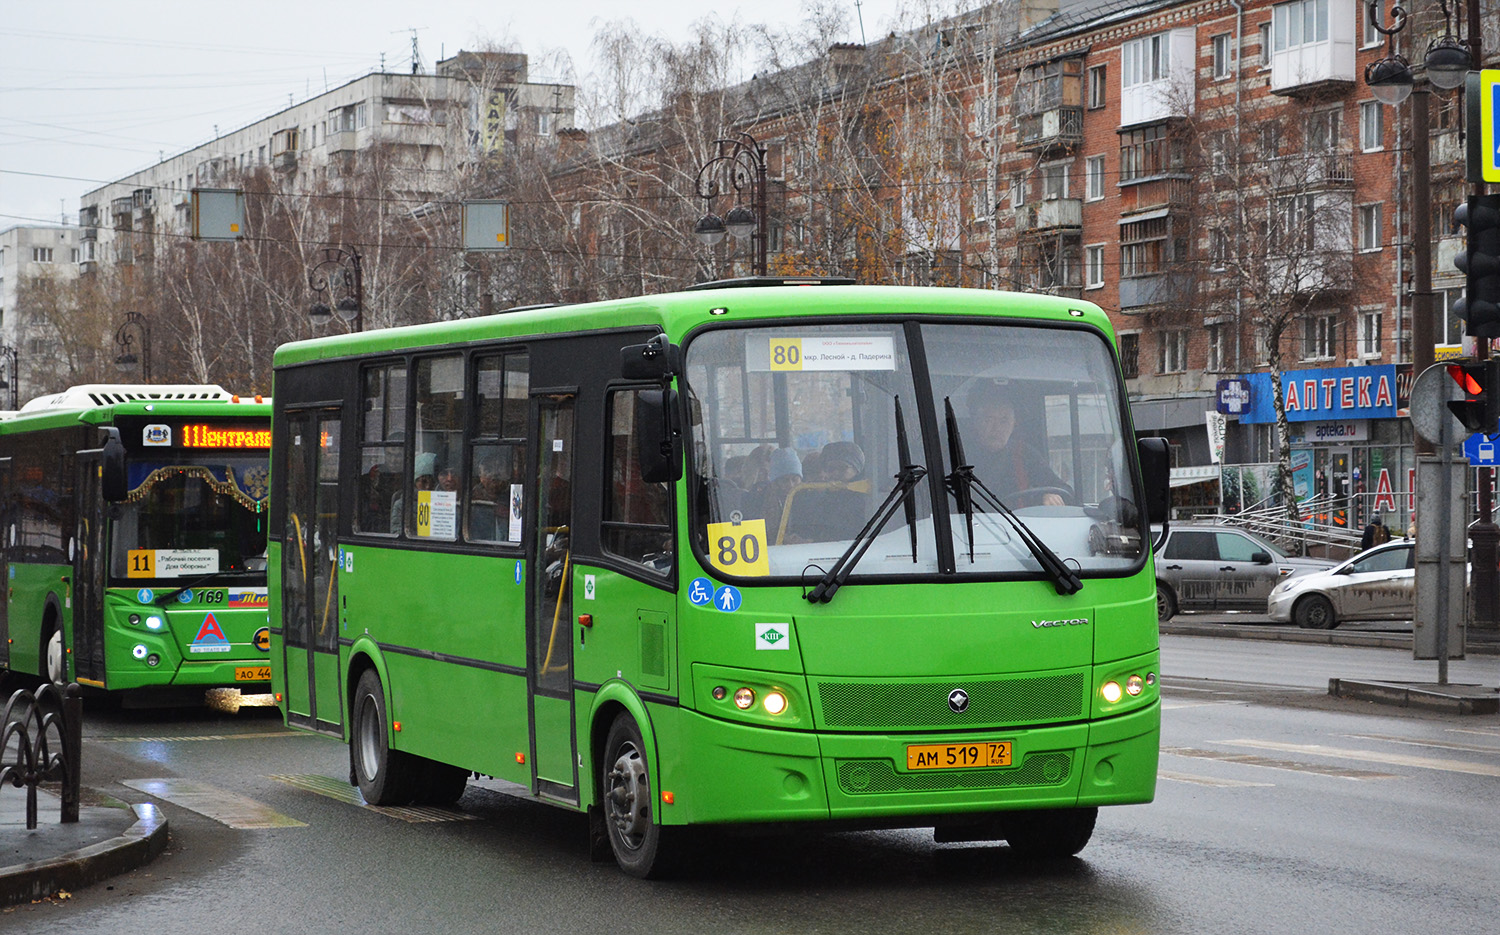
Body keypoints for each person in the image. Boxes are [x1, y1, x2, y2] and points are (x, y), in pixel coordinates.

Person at [964, 381, 1071, 507]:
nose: (996, 428)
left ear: (1014, 424)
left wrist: (1049, 495)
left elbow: (1064, 490)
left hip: (1018, 526)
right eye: (989, 419)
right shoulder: (959, 454)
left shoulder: (1024, 453)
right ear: (975, 422)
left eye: (1004, 420)